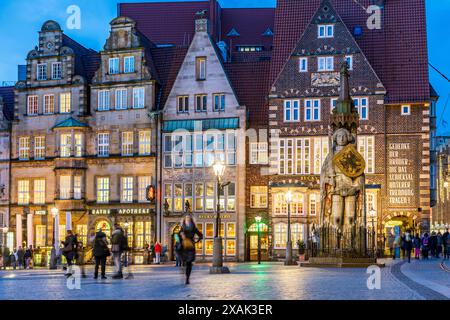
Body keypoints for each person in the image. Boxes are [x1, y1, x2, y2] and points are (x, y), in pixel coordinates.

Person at [179, 214, 203, 285]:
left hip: (190, 247)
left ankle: (187, 278)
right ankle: (184, 270)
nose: (187, 219)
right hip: (184, 246)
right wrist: (180, 237)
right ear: (184, 219)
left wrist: (196, 241)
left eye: (189, 218)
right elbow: (177, 235)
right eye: (186, 218)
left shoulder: (194, 227)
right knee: (184, 262)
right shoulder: (182, 227)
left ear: (191, 219)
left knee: (189, 263)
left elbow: (200, 235)